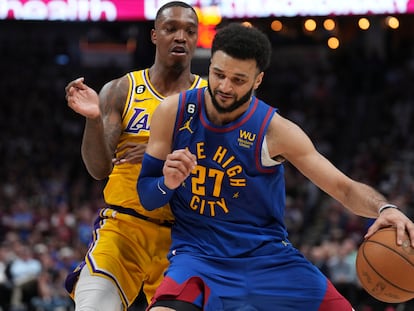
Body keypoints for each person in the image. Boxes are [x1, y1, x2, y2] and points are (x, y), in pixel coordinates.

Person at [137, 22, 414, 311]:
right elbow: (147, 195)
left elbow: (342, 187)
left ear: (258, 80)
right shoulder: (173, 112)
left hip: (269, 260)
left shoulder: (275, 131)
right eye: (218, 74)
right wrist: (166, 183)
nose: (225, 87)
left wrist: (385, 208)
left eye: (238, 79)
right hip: (198, 259)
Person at [64, 2, 207, 311]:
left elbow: (224, 163)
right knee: (92, 306)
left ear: (197, 39)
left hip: (185, 237)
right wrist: (93, 119)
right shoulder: (121, 90)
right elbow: (98, 169)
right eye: (171, 29)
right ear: (154, 36)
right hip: (124, 229)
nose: (181, 37)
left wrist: (158, 152)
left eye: (189, 31)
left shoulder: (210, 99)